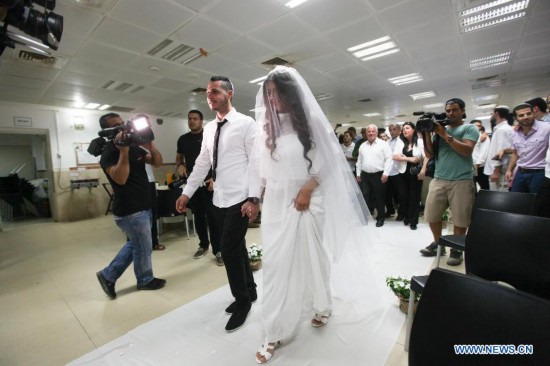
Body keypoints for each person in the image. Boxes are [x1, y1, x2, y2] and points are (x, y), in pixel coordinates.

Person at [253, 66, 376, 364]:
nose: (270, 98)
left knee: (311, 255)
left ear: (288, 93)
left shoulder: (309, 123)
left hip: (308, 199)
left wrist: (307, 189)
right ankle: (275, 326)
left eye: (275, 92)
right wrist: (257, 197)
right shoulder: (268, 128)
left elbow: (331, 163)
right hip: (277, 203)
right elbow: (264, 172)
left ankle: (322, 304)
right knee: (276, 263)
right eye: (267, 93)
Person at [175, 76, 259, 333]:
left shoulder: (246, 123)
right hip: (219, 198)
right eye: (207, 93)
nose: (209, 96)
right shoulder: (210, 128)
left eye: (215, 91)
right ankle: (251, 290)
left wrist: (254, 198)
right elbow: (202, 163)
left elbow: (256, 162)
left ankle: (242, 301)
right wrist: (187, 192)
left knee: (228, 249)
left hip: (241, 199)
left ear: (230, 93)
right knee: (237, 246)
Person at [96, 113, 166, 299]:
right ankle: (144, 280)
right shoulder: (108, 154)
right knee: (143, 246)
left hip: (143, 205)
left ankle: (107, 275)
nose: (122, 128)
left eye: (122, 124)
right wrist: (123, 152)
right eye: (116, 126)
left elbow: (157, 162)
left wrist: (150, 145)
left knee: (137, 245)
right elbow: (120, 178)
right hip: (129, 210)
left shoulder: (135, 146)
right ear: (107, 132)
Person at [419, 98, 479, 266]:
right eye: (448, 110)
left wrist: (445, 135)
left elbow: (466, 151)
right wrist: (426, 134)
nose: (450, 113)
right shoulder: (439, 130)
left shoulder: (469, 128)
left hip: (461, 180)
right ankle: (439, 244)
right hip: (439, 178)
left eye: (454, 110)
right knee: (431, 215)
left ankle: (456, 249)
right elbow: (430, 154)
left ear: (462, 111)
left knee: (460, 219)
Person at [175, 109, 222, 265]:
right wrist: (180, 166)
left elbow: (219, 159)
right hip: (193, 185)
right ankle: (203, 245)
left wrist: (215, 179)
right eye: (189, 119)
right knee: (198, 217)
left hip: (210, 184)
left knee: (214, 218)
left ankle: (219, 250)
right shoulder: (183, 139)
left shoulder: (210, 136)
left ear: (202, 121)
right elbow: (179, 158)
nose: (192, 121)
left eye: (195, 118)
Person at [505, 103, 550, 194]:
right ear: (516, 118)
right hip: (520, 172)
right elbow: (516, 153)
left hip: (540, 172)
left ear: (533, 113)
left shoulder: (547, 128)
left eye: (528, 113)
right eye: (521, 115)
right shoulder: (515, 133)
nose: (525, 117)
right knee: (517, 200)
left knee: (537, 202)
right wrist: (509, 170)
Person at [356, 124, 393, 227]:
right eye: (369, 131)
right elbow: (359, 161)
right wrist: (358, 173)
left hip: (379, 175)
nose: (371, 133)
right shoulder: (362, 145)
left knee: (379, 197)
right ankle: (364, 218)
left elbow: (389, 159)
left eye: (373, 131)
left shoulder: (383, 144)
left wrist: (386, 173)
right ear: (366, 133)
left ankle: (380, 218)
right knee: (365, 196)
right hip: (365, 175)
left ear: (376, 133)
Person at [392, 122, 426, 230]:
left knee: (414, 197)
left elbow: (426, 157)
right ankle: (406, 216)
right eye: (404, 129)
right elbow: (395, 156)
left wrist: (423, 170)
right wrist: (409, 158)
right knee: (403, 196)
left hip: (415, 173)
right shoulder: (400, 142)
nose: (405, 130)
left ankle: (413, 220)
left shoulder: (420, 142)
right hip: (402, 172)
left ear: (414, 130)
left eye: (407, 128)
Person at [484, 106, 514, 191]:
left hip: (499, 172)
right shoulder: (501, 129)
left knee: (499, 197)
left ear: (496, 113)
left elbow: (501, 152)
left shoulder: (503, 130)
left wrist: (496, 172)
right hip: (497, 171)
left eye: (492, 113)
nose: (491, 116)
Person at [470, 120, 490, 191]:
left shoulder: (483, 136)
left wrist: (478, 164)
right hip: (470, 166)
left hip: (480, 166)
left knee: (484, 186)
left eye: (479, 126)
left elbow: (484, 151)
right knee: (471, 187)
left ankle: (486, 201)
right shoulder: (467, 136)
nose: (478, 127)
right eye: (476, 125)